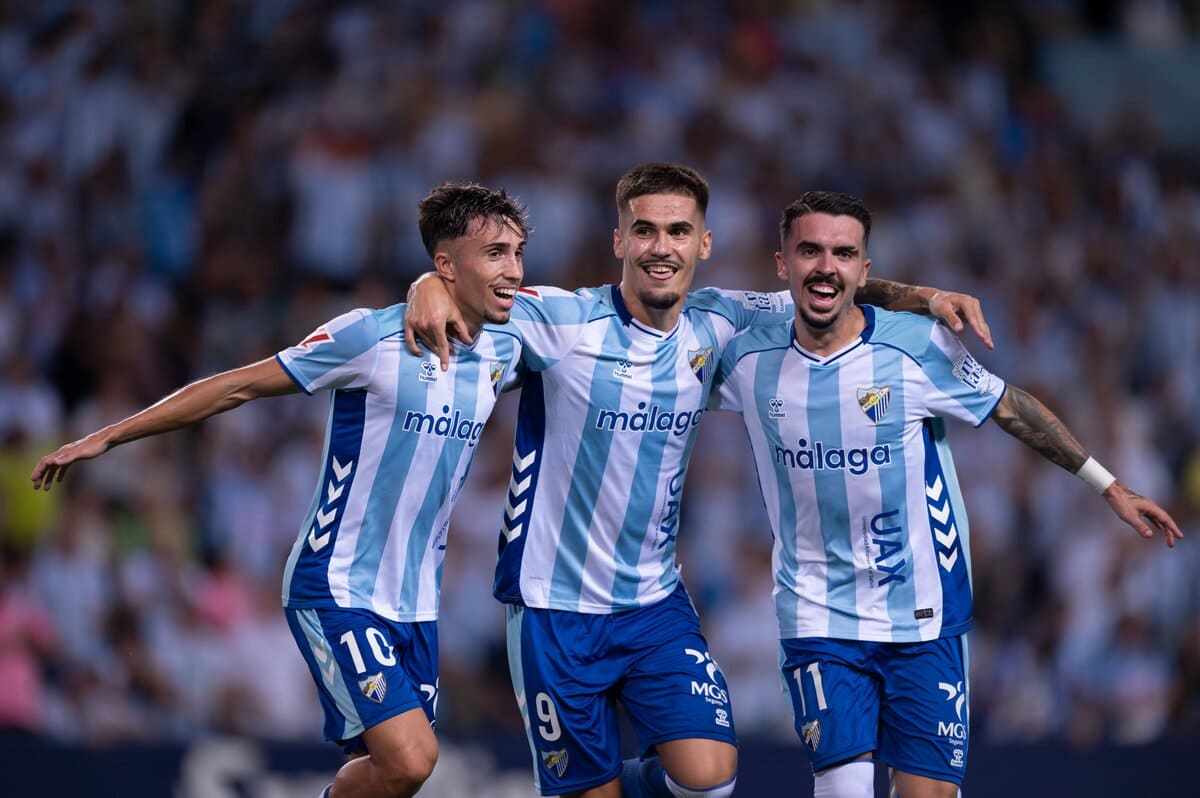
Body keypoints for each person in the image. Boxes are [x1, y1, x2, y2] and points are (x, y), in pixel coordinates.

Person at [403, 163, 994, 798]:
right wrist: (425, 285)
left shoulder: (721, 320)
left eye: (679, 231)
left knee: (710, 780)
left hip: (655, 603)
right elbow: (472, 292)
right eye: (646, 231)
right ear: (619, 241)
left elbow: (832, 284)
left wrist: (926, 298)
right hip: (554, 603)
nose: (662, 247)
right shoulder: (561, 320)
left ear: (703, 243)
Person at [30, 181, 531, 798]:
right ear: (447, 264)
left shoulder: (507, 349)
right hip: (337, 583)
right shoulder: (368, 339)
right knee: (412, 759)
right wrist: (110, 435)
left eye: (517, 253)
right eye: (496, 254)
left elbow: (593, 319)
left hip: (417, 602)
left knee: (396, 774)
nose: (514, 270)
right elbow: (236, 386)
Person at [708, 191, 1183, 798]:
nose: (826, 266)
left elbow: (1012, 408)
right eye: (810, 251)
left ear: (865, 269)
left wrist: (1108, 485)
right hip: (819, 615)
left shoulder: (915, 347)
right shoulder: (748, 348)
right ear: (782, 263)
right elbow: (653, 343)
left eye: (844, 253)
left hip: (923, 615)